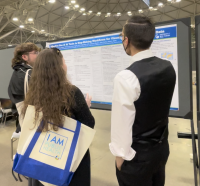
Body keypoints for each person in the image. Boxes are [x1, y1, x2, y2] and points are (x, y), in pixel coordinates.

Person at [109, 15, 176, 186]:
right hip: (161, 150)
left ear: (127, 40)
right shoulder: (168, 67)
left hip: (137, 158)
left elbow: (121, 125)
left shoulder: (126, 77)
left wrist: (120, 158)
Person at [21, 48, 95, 186]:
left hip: (41, 159)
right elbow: (88, 125)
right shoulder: (72, 92)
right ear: (59, 68)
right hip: (68, 161)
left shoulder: (33, 94)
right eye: (64, 62)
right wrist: (85, 107)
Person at [8, 43, 41, 134]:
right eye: (35, 53)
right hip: (30, 122)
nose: (38, 55)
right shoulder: (26, 74)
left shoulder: (19, 71)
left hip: (23, 120)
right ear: (25, 57)